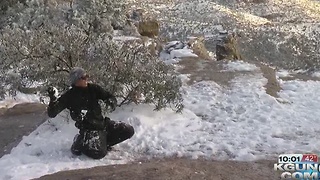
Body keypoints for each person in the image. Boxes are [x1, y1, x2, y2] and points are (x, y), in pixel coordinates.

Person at [47, 67, 134, 159]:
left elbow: (110, 97)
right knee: (99, 154)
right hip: (89, 130)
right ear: (76, 80)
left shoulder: (93, 88)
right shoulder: (70, 96)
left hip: (103, 124)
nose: (86, 79)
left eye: (86, 76)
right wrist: (53, 100)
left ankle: (102, 142)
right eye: (83, 77)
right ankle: (79, 143)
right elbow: (52, 113)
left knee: (128, 130)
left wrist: (109, 105)